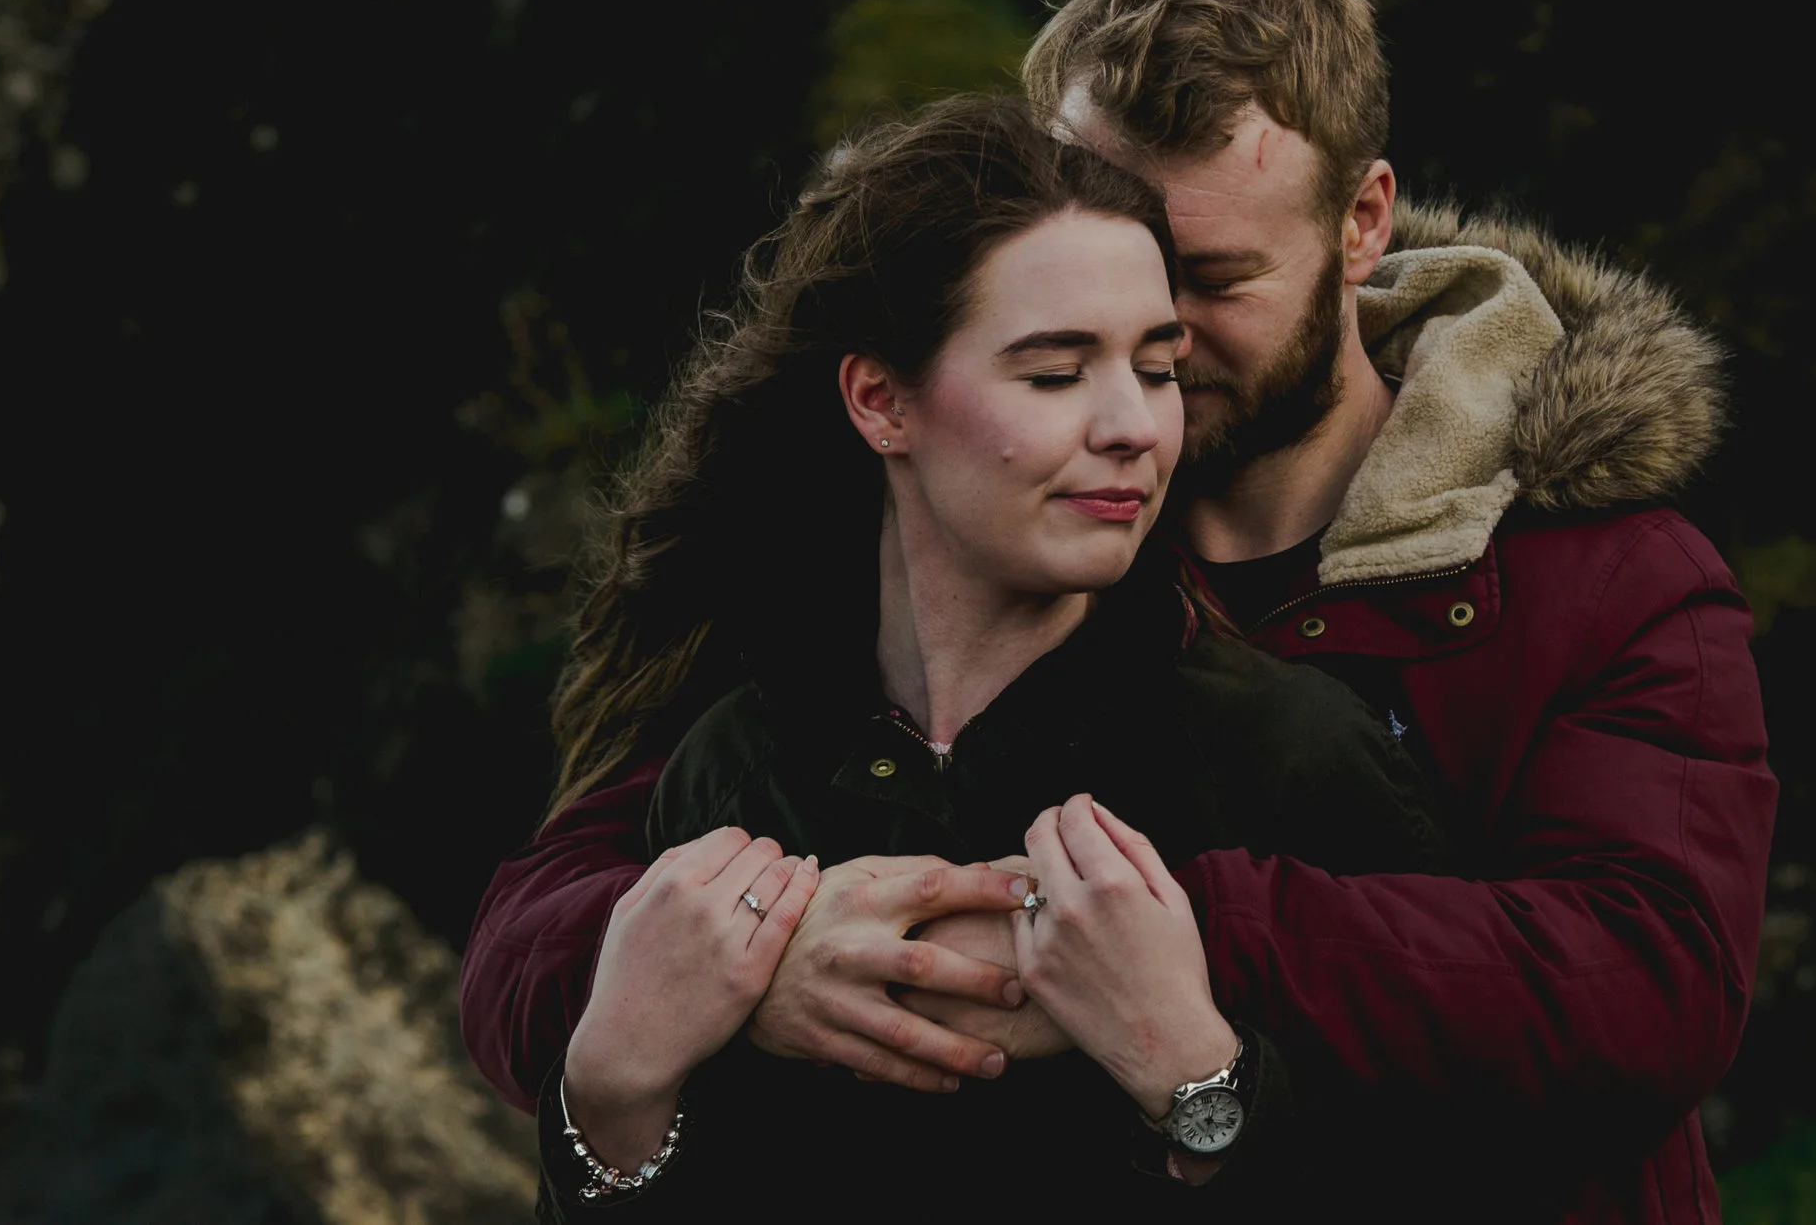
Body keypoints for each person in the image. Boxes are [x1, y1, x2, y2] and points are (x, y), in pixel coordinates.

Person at [465, 0, 1776, 1222]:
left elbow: (1651, 987)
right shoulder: (904, 570)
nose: (1153, 346)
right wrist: (751, 959)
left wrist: (1169, 935)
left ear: (1362, 220)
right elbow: (551, 915)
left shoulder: (1598, 572)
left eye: (1206, 282)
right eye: (1075, 308)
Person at [533, 96, 1442, 1214]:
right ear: (881, 401)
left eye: (1156, 368)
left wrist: (1197, 1076)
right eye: (1056, 373)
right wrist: (611, 1088)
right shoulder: (733, 769)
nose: (1132, 426)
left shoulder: (1290, 751)